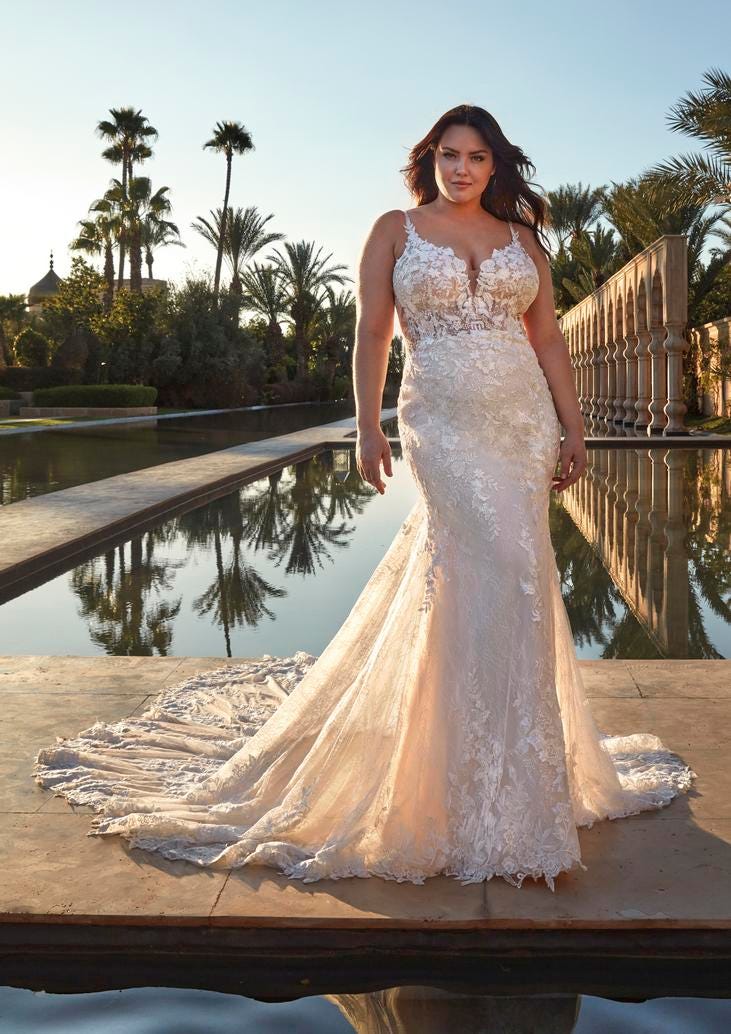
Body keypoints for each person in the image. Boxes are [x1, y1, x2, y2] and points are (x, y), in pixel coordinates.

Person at [34, 104, 695, 892]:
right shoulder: (393, 229)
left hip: (520, 422)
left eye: (476, 157)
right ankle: (456, 784)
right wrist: (365, 426)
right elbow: (373, 333)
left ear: (495, 166)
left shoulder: (523, 241)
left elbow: (546, 338)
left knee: (515, 576)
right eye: (448, 155)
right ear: (430, 159)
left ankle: (509, 779)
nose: (460, 169)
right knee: (478, 565)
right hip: (441, 421)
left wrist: (572, 426)